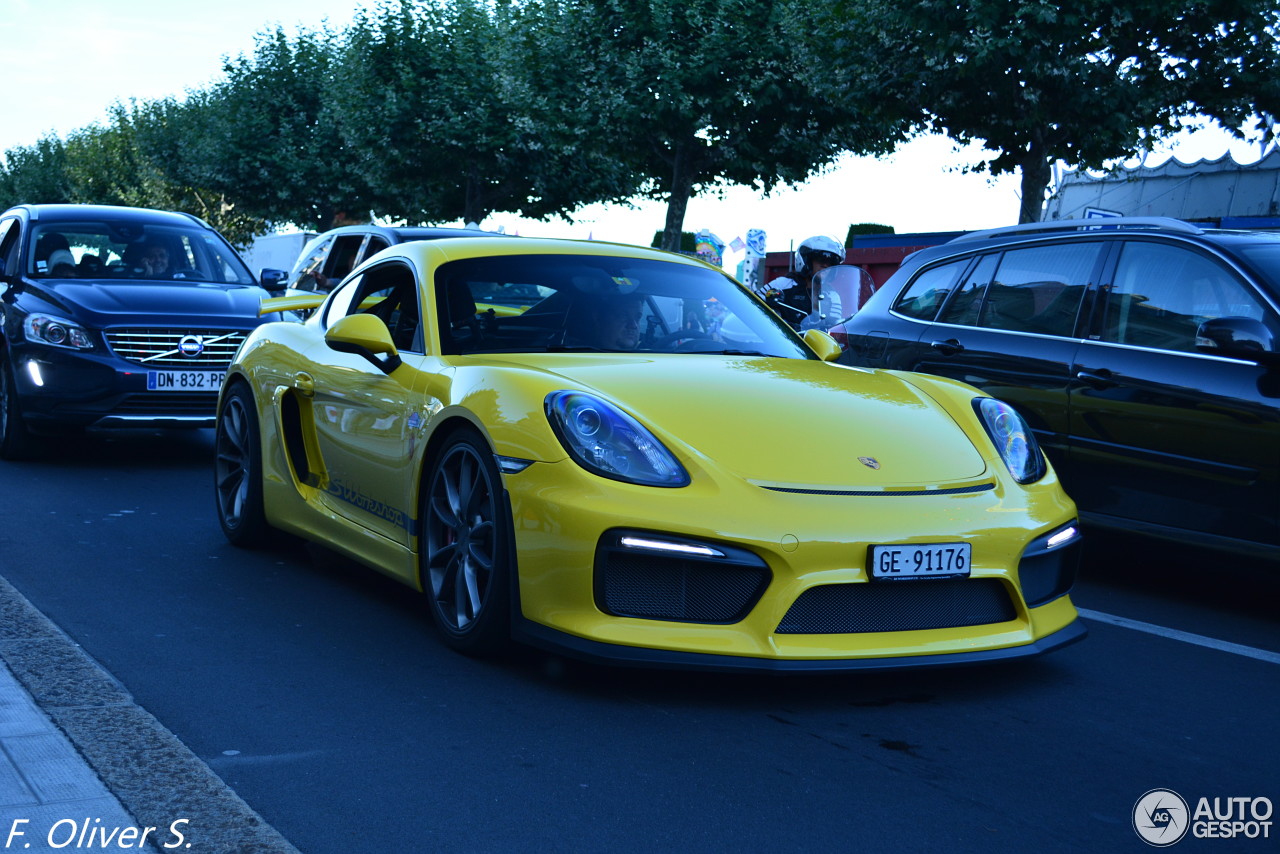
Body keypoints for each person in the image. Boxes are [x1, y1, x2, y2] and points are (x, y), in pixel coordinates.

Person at [767, 235, 845, 322]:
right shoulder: (783, 284)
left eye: (831, 262)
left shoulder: (832, 295)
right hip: (783, 335)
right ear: (807, 260)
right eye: (820, 259)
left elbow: (834, 326)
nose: (826, 265)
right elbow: (754, 306)